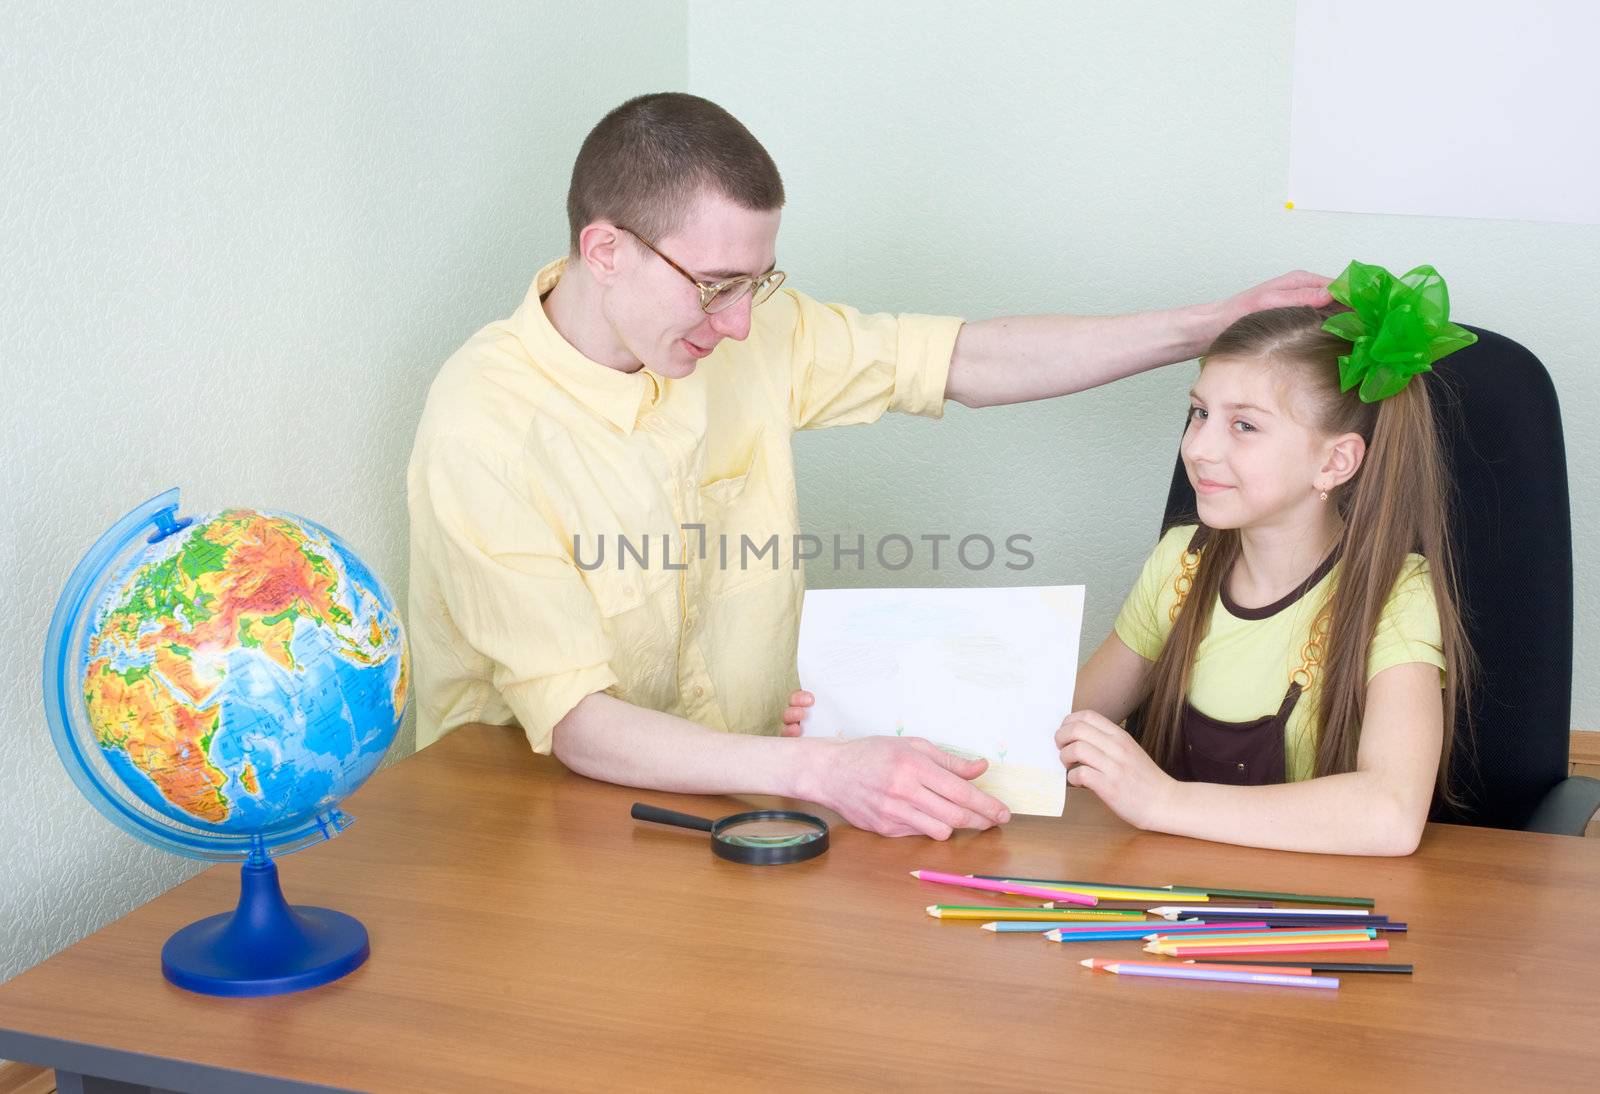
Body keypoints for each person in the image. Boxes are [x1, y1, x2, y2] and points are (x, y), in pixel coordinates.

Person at [407, 91, 1331, 840]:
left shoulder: (745, 334)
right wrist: (829, 771)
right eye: (715, 286)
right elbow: (579, 723)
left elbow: (963, 359)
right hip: (533, 828)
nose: (739, 323)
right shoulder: (483, 423)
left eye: (755, 284)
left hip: (743, 811)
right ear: (605, 250)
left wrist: (1204, 329)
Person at [1051, 261, 1476, 855]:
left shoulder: (1396, 596)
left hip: (1305, 913)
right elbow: (1062, 726)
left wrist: (1162, 800)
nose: (1197, 448)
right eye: (1199, 413)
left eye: (1244, 425)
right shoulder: (1181, 562)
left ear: (1335, 463)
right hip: (1161, 899)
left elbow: (1391, 814)